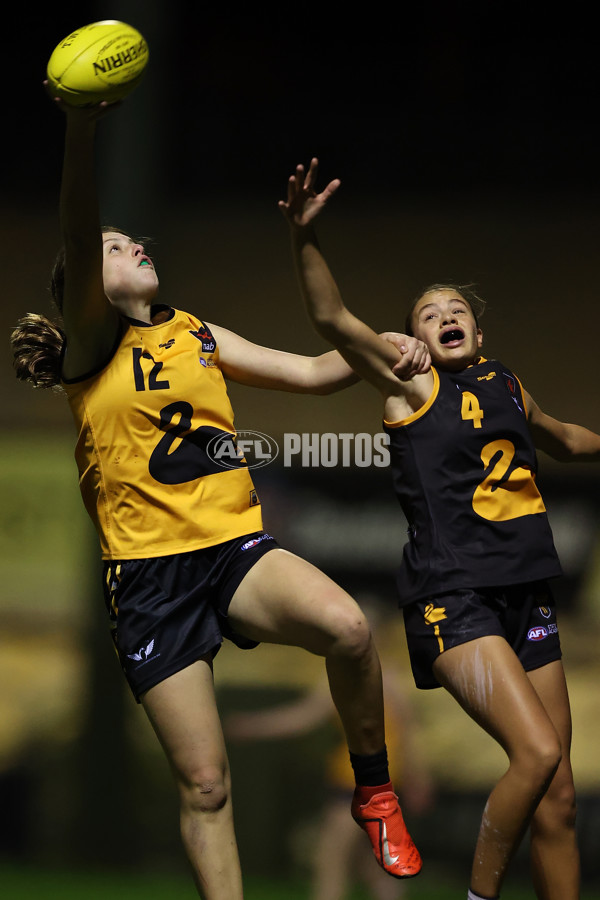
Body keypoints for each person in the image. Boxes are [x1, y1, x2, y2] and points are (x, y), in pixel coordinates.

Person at [9, 97, 425, 898]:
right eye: (114, 246)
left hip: (231, 549)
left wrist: (385, 343)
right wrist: (81, 128)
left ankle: (373, 792)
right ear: (87, 285)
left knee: (348, 628)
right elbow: (75, 219)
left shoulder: (193, 330)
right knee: (207, 785)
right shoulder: (94, 345)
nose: (134, 243)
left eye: (133, 239)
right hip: (148, 582)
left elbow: (309, 372)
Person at [279, 158, 600, 900]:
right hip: (456, 599)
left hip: (527, 595)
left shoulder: (507, 385)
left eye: (455, 309)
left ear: (478, 332)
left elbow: (568, 439)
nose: (444, 315)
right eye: (428, 311)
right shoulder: (411, 383)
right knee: (537, 753)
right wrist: (304, 237)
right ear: (414, 336)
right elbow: (331, 319)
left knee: (559, 797)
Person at [225, 599, 434, 900]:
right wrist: (254, 726)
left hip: (359, 781)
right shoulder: (366, 674)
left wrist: (419, 777)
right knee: (373, 862)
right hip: (367, 777)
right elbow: (305, 716)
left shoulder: (380, 677)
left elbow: (408, 733)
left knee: (331, 856)